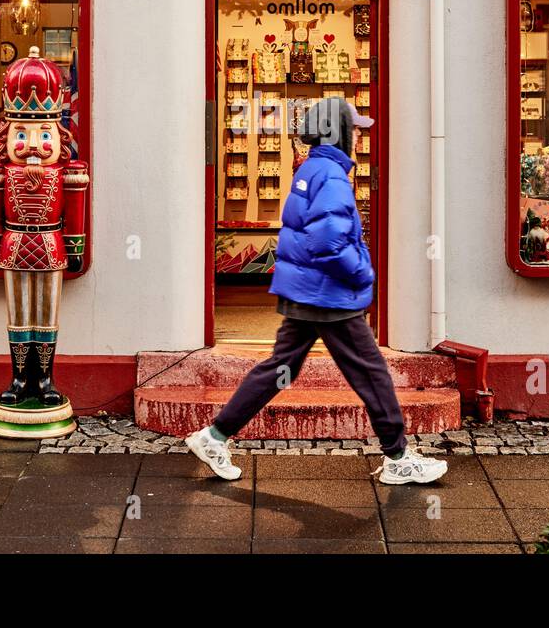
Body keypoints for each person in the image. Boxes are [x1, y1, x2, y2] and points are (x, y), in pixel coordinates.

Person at [186, 98, 448, 485]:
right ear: (337, 132)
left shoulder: (312, 168)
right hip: (329, 295)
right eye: (354, 128)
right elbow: (328, 243)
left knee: (280, 368)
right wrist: (363, 275)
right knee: (371, 372)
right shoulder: (332, 174)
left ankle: (214, 436)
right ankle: (398, 458)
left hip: (305, 290)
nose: (359, 135)